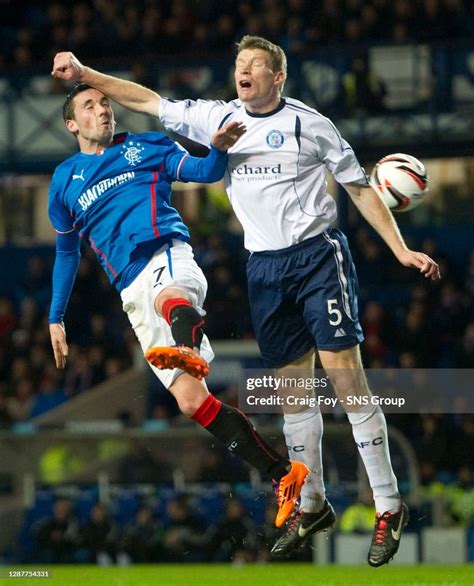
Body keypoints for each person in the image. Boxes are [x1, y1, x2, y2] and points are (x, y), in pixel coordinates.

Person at [51, 36, 440, 567]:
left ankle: (388, 504)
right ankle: (311, 504)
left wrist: (399, 249)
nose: (245, 71)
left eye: (256, 64)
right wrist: (85, 72)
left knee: (345, 378)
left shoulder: (313, 124)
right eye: (239, 64)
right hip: (264, 268)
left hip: (316, 256)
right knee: (293, 396)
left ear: (278, 77)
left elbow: (359, 187)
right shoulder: (215, 115)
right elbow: (145, 100)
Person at [47, 83, 309, 532]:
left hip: (166, 253)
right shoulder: (64, 180)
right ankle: (284, 474)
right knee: (191, 402)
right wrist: (56, 316)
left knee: (173, 299)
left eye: (105, 102)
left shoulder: (147, 146)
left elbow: (205, 170)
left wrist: (219, 148)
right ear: (73, 123)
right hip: (130, 290)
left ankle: (187, 345)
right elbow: (67, 253)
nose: (103, 109)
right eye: (90, 106)